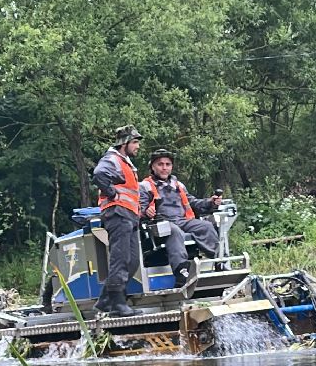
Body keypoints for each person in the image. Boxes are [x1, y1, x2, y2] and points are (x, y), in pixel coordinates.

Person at [139, 148, 224, 285]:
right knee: (173, 230)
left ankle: (217, 261)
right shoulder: (145, 186)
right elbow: (139, 210)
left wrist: (211, 202)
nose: (164, 168)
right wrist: (146, 212)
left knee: (206, 226)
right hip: (159, 225)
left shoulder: (178, 186)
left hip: (182, 221)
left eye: (168, 164)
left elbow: (194, 203)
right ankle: (181, 271)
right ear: (152, 166)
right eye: (160, 164)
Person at [90, 124, 144, 316]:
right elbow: (98, 175)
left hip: (129, 215)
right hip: (118, 214)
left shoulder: (125, 162)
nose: (138, 146)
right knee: (120, 259)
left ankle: (104, 300)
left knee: (132, 261)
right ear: (125, 143)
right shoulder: (112, 159)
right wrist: (112, 193)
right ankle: (117, 303)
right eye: (135, 142)